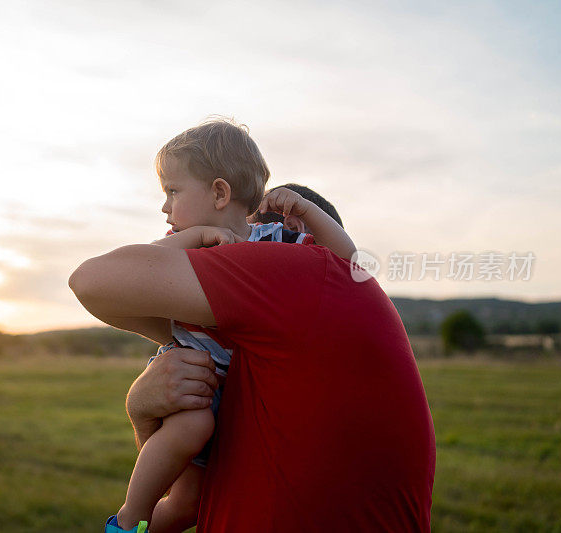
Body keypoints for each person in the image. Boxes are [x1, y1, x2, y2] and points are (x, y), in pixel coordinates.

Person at [70, 131, 435, 533]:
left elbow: (90, 280)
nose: (166, 206)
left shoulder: (298, 265)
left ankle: (126, 524)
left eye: (173, 192)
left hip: (208, 384)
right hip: (209, 379)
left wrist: (308, 212)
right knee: (185, 478)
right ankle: (130, 521)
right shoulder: (309, 336)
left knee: (185, 481)